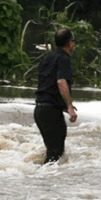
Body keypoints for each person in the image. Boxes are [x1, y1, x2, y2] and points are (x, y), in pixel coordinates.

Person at [34, 28, 78, 163]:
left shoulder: (47, 58)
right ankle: (47, 182)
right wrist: (69, 106)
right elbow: (61, 81)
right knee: (56, 156)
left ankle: (40, 179)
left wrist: (62, 106)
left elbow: (47, 85)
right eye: (74, 42)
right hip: (51, 113)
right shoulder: (64, 58)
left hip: (40, 110)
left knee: (52, 154)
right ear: (70, 43)